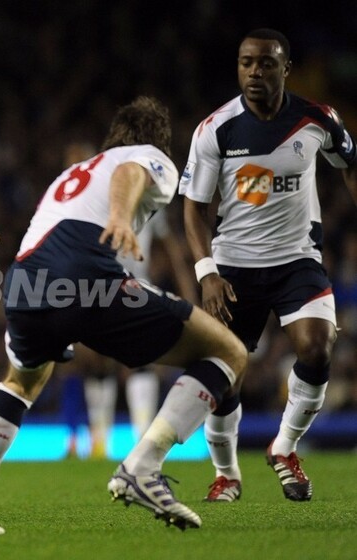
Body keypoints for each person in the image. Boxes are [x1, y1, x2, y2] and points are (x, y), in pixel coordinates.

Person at [0, 96, 248, 534]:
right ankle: (143, 466)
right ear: (157, 141)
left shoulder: (73, 172)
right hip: (84, 275)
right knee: (228, 352)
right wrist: (121, 218)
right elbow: (132, 172)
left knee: (20, 383)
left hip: (23, 281)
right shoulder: (149, 157)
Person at [181, 28, 357, 502]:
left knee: (317, 349)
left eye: (265, 63)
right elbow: (193, 209)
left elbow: (350, 163)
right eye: (246, 63)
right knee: (224, 374)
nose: (255, 71)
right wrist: (207, 273)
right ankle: (227, 474)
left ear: (286, 69)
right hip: (233, 268)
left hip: (297, 260)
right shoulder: (216, 129)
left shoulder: (316, 119)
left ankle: (284, 447)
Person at [61, 208, 195, 459]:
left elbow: (170, 248)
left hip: (134, 286)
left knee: (141, 359)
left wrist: (187, 289)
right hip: (97, 286)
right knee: (96, 361)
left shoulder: (152, 203)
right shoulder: (97, 202)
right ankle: (99, 443)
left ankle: (142, 438)